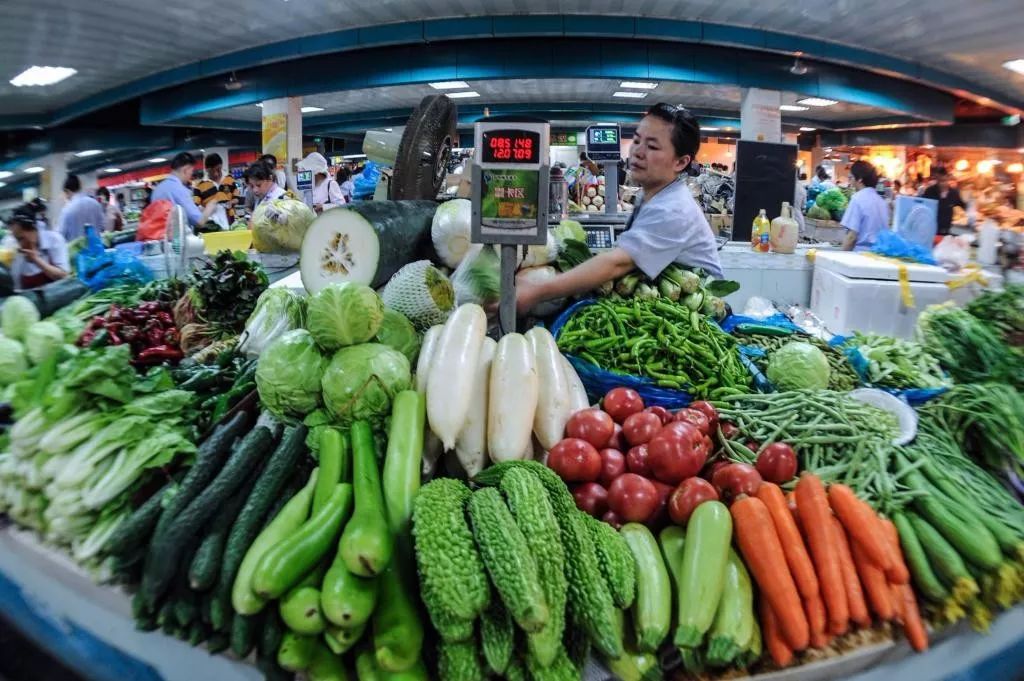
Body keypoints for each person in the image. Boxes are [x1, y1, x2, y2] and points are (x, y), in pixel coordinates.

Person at [515, 103, 723, 315]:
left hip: (695, 320)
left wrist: (535, 292)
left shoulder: (674, 208)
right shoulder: (652, 194)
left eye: (652, 146)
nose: (637, 152)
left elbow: (617, 264)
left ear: (680, 162)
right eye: (637, 140)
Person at [151, 152, 219, 229]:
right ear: (185, 170)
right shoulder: (179, 189)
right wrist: (210, 206)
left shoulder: (158, 189)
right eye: (191, 171)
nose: (191, 175)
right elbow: (199, 222)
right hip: (176, 238)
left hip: (158, 237)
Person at [8, 209, 69, 289]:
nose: (20, 244)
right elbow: (16, 287)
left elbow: (63, 276)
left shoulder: (54, 240)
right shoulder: (19, 255)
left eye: (21, 238)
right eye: (16, 239)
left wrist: (36, 259)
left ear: (33, 230)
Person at [840, 160, 889, 251]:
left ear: (860, 179)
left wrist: (841, 256)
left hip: (860, 256)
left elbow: (852, 237)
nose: (850, 180)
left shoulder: (857, 199)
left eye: (851, 177)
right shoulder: (882, 202)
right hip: (879, 254)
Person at [193, 152, 240, 229]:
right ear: (207, 170)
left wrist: (231, 202)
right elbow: (194, 207)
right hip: (212, 226)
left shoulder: (229, 179)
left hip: (231, 221)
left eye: (218, 170)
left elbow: (237, 198)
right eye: (212, 171)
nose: (216, 174)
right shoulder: (199, 186)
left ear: (221, 166)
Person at [56, 174, 106, 242]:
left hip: (76, 251)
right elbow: (103, 226)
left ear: (67, 191)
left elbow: (60, 235)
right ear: (80, 187)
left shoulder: (67, 209)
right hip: (97, 249)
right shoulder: (95, 204)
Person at [922, 168, 966, 236]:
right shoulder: (929, 191)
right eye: (939, 181)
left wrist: (970, 206)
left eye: (944, 180)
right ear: (936, 180)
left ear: (948, 179)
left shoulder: (954, 193)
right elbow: (922, 206)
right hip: (931, 230)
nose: (941, 183)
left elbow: (962, 205)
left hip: (947, 229)